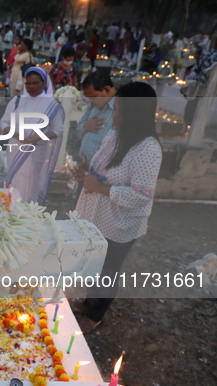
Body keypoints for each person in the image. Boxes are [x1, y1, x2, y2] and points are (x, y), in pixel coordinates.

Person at [72, 82, 163, 332]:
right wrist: (85, 171)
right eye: (115, 109)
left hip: (119, 222)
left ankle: (95, 316)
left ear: (137, 113)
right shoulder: (117, 134)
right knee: (96, 262)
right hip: (99, 214)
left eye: (120, 111)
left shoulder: (148, 149)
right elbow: (103, 170)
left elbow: (141, 195)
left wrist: (101, 188)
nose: (114, 115)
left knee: (109, 269)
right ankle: (89, 302)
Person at [0, 67, 64, 204]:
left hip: (37, 150)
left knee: (31, 182)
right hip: (16, 148)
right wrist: (16, 134)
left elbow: (58, 131)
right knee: (15, 180)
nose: (31, 86)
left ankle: (29, 211)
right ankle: (11, 208)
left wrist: (36, 137)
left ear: (44, 83)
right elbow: (3, 122)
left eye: (35, 83)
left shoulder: (52, 105)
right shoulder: (17, 101)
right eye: (28, 83)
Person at [73, 70, 117, 200]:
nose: (90, 101)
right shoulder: (93, 106)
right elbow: (79, 130)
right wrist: (85, 127)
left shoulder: (119, 109)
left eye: (93, 97)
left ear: (107, 90)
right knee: (80, 209)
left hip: (103, 176)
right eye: (88, 97)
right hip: (86, 169)